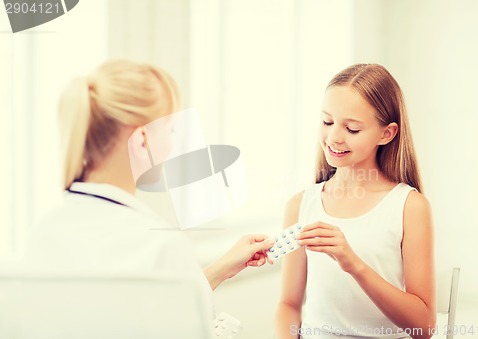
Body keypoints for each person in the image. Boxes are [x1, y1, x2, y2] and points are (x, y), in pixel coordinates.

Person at [23, 59, 274, 297]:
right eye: (171, 128)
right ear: (142, 141)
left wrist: (221, 268)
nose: (175, 141)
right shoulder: (160, 245)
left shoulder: (41, 234)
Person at [274, 64, 435, 339]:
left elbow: (424, 327)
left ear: (387, 134)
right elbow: (288, 304)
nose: (334, 137)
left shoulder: (410, 206)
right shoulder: (300, 205)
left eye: (352, 128)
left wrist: (353, 264)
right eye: (327, 122)